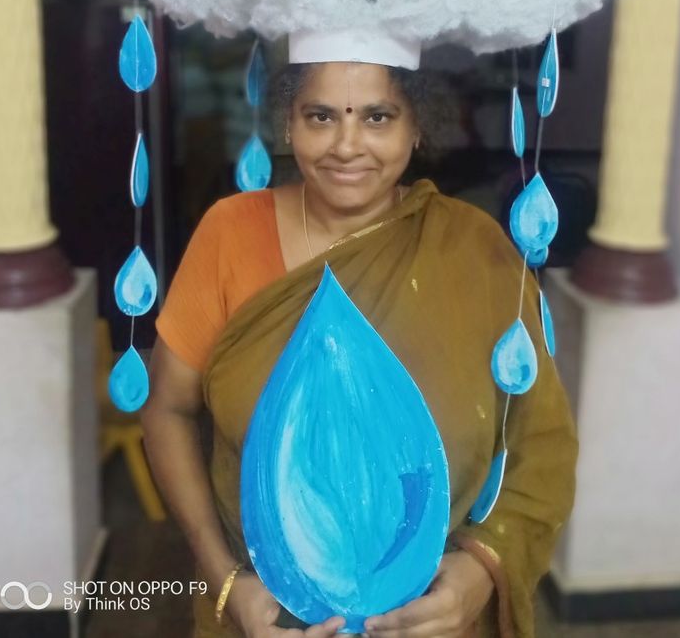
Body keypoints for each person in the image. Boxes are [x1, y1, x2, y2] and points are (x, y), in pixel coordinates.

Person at [141, 58, 578, 638]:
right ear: (288, 124)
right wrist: (227, 583)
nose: (347, 146)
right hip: (265, 621)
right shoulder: (230, 235)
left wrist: (479, 572)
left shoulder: (475, 251)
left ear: (415, 126)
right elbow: (167, 409)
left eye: (377, 117)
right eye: (321, 116)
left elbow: (538, 442)